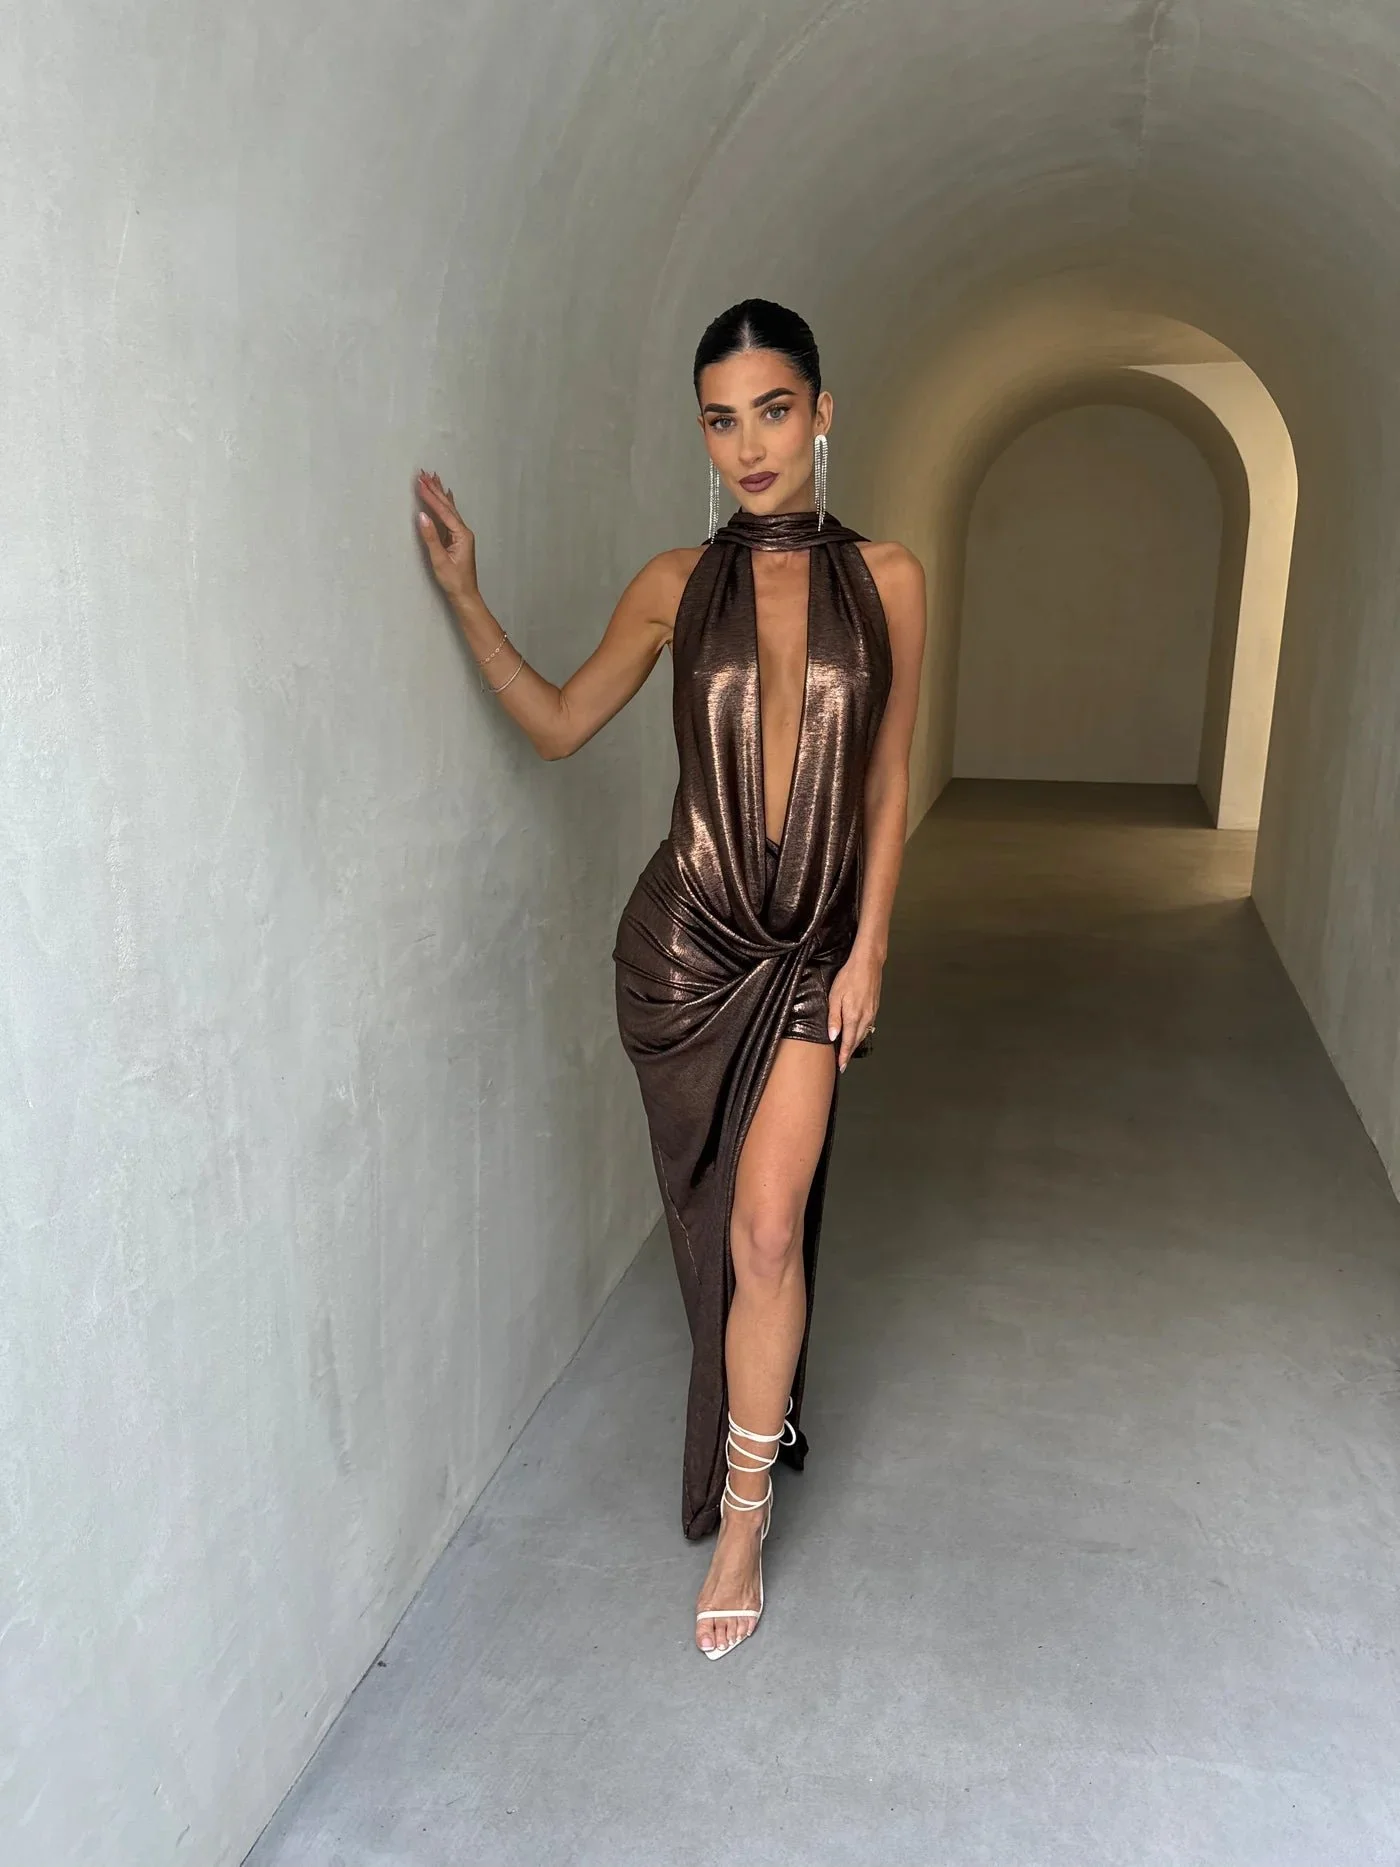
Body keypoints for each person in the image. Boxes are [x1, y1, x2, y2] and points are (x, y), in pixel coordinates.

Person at [415, 298, 925, 1659]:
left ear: (822, 412)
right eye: (721, 419)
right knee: (723, 1231)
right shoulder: (672, 584)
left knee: (768, 1229)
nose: (750, 444)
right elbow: (561, 723)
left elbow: (885, 777)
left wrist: (872, 945)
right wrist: (467, 596)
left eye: (774, 410)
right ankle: (752, 1430)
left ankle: (745, 1512)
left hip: (808, 954)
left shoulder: (889, 578)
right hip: (684, 952)